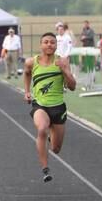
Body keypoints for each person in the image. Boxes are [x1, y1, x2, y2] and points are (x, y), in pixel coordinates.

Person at [23, 33, 76, 182]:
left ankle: (51, 136)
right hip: (40, 105)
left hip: (58, 107)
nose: (49, 45)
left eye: (52, 42)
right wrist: (27, 92)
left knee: (56, 149)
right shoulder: (31, 62)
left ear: (56, 45)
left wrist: (65, 71)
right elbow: (27, 74)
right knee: (42, 128)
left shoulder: (62, 61)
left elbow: (72, 86)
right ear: (41, 45)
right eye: (46, 42)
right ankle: (45, 169)